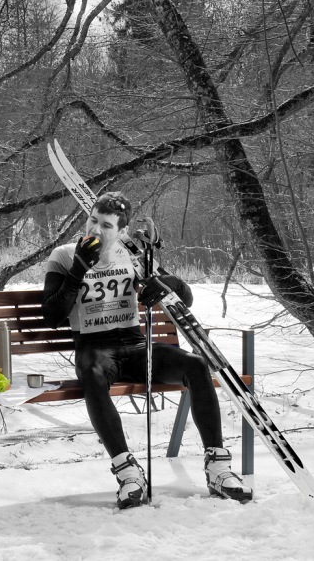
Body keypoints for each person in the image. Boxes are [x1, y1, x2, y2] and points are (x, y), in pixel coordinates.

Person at [42, 191, 252, 508]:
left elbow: (184, 297)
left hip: (135, 345)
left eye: (107, 226)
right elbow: (52, 316)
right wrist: (77, 271)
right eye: (93, 221)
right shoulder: (64, 254)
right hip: (95, 348)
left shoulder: (134, 256)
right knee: (92, 374)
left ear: (122, 231)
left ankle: (218, 468)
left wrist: (169, 284)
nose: (96, 230)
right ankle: (128, 473)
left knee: (195, 364)